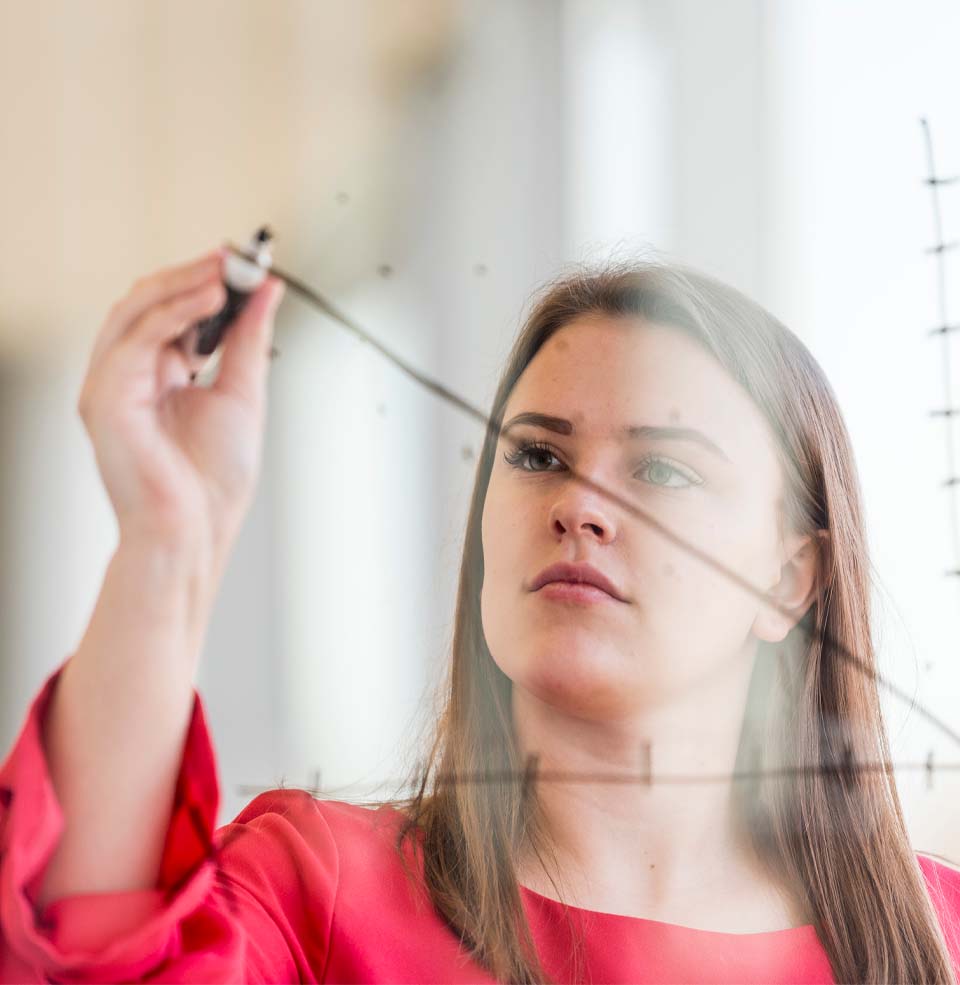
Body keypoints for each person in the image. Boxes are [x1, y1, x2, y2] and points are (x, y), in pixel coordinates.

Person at [0, 248, 958, 984]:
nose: (579, 506)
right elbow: (89, 951)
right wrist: (167, 540)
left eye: (663, 468)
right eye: (538, 455)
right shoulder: (316, 892)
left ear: (790, 579)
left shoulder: (939, 938)